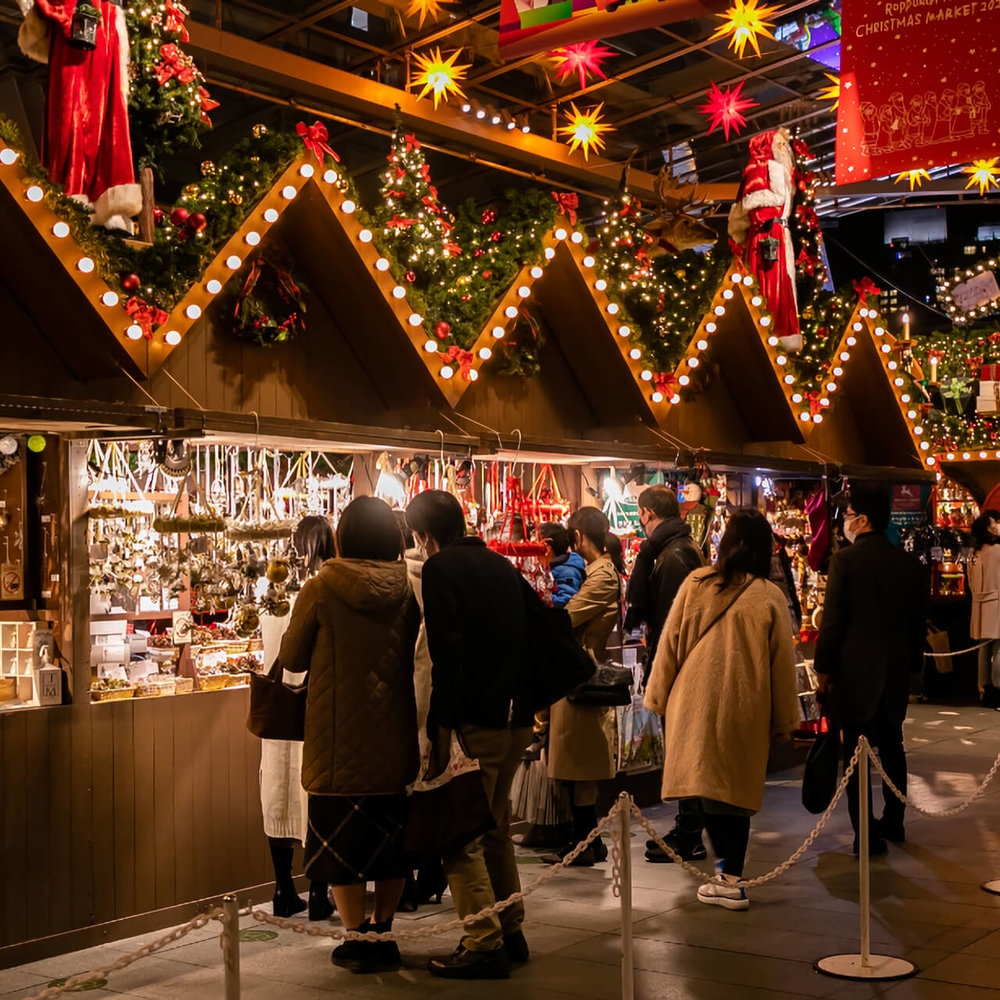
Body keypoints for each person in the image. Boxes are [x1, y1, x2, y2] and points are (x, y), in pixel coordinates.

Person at [277, 497, 420, 974]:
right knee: (390, 842)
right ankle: (384, 931)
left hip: (335, 738)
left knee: (342, 843)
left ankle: (356, 937)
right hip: (393, 732)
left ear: (342, 538)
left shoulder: (321, 588)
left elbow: (292, 658)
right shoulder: (406, 590)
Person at [406, 490, 532, 981]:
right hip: (516, 716)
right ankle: (510, 928)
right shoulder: (500, 565)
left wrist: (439, 726)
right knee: (494, 826)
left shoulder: (441, 570)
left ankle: (483, 941)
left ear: (423, 535)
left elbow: (447, 654)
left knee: (460, 834)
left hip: (475, 718)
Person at [645, 509, 799, 910]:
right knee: (734, 793)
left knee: (706, 789)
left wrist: (657, 697)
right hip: (745, 705)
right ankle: (731, 877)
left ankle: (727, 878)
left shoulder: (698, 583)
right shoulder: (769, 596)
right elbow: (782, 665)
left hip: (693, 703)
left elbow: (669, 644)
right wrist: (785, 721)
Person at [814, 485, 926, 854]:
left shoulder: (845, 562)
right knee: (893, 746)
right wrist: (912, 668)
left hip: (854, 675)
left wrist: (823, 670)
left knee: (856, 754)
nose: (844, 522)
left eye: (847, 515)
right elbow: (917, 624)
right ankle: (895, 820)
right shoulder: (908, 564)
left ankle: (865, 834)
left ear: (862, 520)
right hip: (894, 672)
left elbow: (832, 623)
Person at [624, 485, 704, 863]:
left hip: (680, 669)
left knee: (683, 748)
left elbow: (675, 623)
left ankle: (689, 832)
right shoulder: (681, 548)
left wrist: (664, 668)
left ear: (648, 514)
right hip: (683, 665)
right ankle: (688, 827)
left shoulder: (671, 557)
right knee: (684, 747)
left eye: (641, 516)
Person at [260, 516, 336, 921]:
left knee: (277, 790)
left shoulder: (273, 592)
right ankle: (318, 892)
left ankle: (282, 889)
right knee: (314, 795)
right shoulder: (324, 589)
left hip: (278, 707)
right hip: (314, 704)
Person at [543, 507, 620, 867]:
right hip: (574, 673)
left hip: (582, 676)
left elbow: (568, 616)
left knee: (581, 765)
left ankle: (585, 842)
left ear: (577, 537)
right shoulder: (594, 571)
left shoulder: (602, 575)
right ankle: (587, 841)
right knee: (575, 764)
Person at [969, 513, 1000, 707]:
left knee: (983, 648)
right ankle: (998, 688)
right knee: (998, 649)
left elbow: (970, 582)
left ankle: (983, 689)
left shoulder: (974, 553)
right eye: (994, 523)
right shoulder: (997, 551)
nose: (997, 525)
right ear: (988, 529)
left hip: (979, 604)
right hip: (997, 603)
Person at [540, 522, 586, 609]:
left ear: (547, 549)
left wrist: (541, 597)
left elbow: (567, 601)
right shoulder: (553, 568)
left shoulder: (567, 572)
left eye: (536, 547)